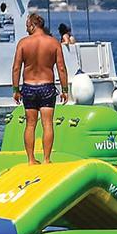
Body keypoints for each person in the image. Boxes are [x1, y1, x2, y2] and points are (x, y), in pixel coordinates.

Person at [10, 11, 70, 164]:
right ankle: (47, 159)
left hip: (29, 87)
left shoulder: (23, 43)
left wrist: (16, 90)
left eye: (27, 26)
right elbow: (61, 68)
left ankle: (31, 159)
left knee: (30, 124)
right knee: (47, 124)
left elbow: (16, 68)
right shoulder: (54, 43)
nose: (26, 29)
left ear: (33, 25)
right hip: (47, 87)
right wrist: (65, 90)